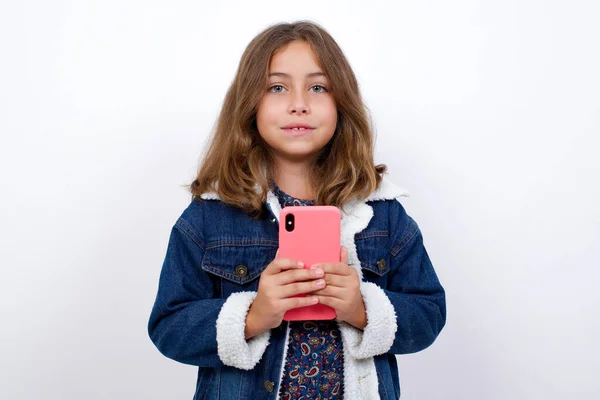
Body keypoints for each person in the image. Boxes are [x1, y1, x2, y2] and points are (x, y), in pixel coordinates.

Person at [148, 21, 446, 400]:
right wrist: (253, 315)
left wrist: (361, 308)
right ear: (249, 103)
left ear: (342, 104)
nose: (299, 103)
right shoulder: (210, 216)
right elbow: (168, 326)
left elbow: (430, 313)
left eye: (318, 87)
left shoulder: (383, 214)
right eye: (277, 87)